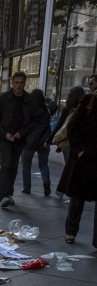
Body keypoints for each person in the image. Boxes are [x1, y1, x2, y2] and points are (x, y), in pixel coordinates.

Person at [0, 71, 45, 208]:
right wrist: (4, 133)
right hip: (5, 137)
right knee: (6, 164)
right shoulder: (3, 98)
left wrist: (22, 133)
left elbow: (36, 120)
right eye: (16, 83)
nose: (18, 85)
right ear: (12, 83)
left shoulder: (30, 100)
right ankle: (3, 196)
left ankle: (9, 194)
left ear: (24, 84)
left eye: (21, 83)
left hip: (20, 138)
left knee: (14, 166)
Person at [64, 73, 97, 245]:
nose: (90, 85)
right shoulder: (89, 100)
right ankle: (71, 232)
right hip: (85, 159)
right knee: (78, 197)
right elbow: (72, 126)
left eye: (92, 82)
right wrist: (80, 150)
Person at [21, 89, 52, 196]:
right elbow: (55, 106)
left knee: (26, 165)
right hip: (44, 141)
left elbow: (25, 125)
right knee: (43, 163)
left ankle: (27, 187)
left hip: (30, 141)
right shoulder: (46, 110)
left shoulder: (29, 109)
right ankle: (46, 181)